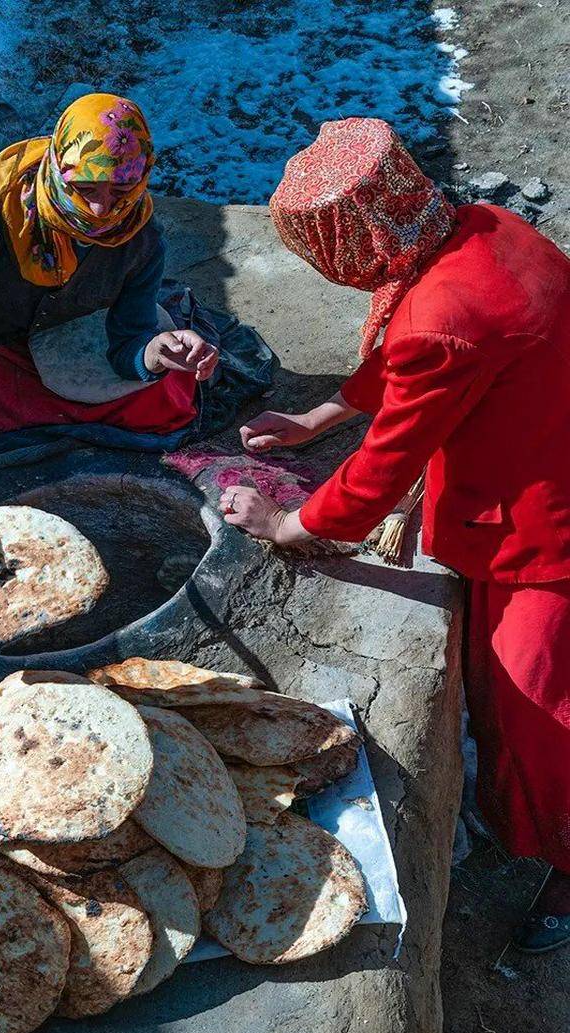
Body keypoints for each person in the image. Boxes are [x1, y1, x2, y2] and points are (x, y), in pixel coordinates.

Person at [222, 117, 570, 953]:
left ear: (354, 241)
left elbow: (381, 470)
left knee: (537, 704)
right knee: (496, 678)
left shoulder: (440, 320)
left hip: (545, 519)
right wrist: (317, 415)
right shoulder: (483, 230)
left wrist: (290, 522)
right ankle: (521, 814)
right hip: (537, 456)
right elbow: (414, 347)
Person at [0, 93, 218, 466]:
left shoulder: (141, 239)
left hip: (73, 345)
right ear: (59, 168)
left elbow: (129, 342)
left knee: (170, 396)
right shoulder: (0, 201)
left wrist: (155, 353)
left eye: (121, 191)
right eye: (85, 189)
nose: (101, 210)